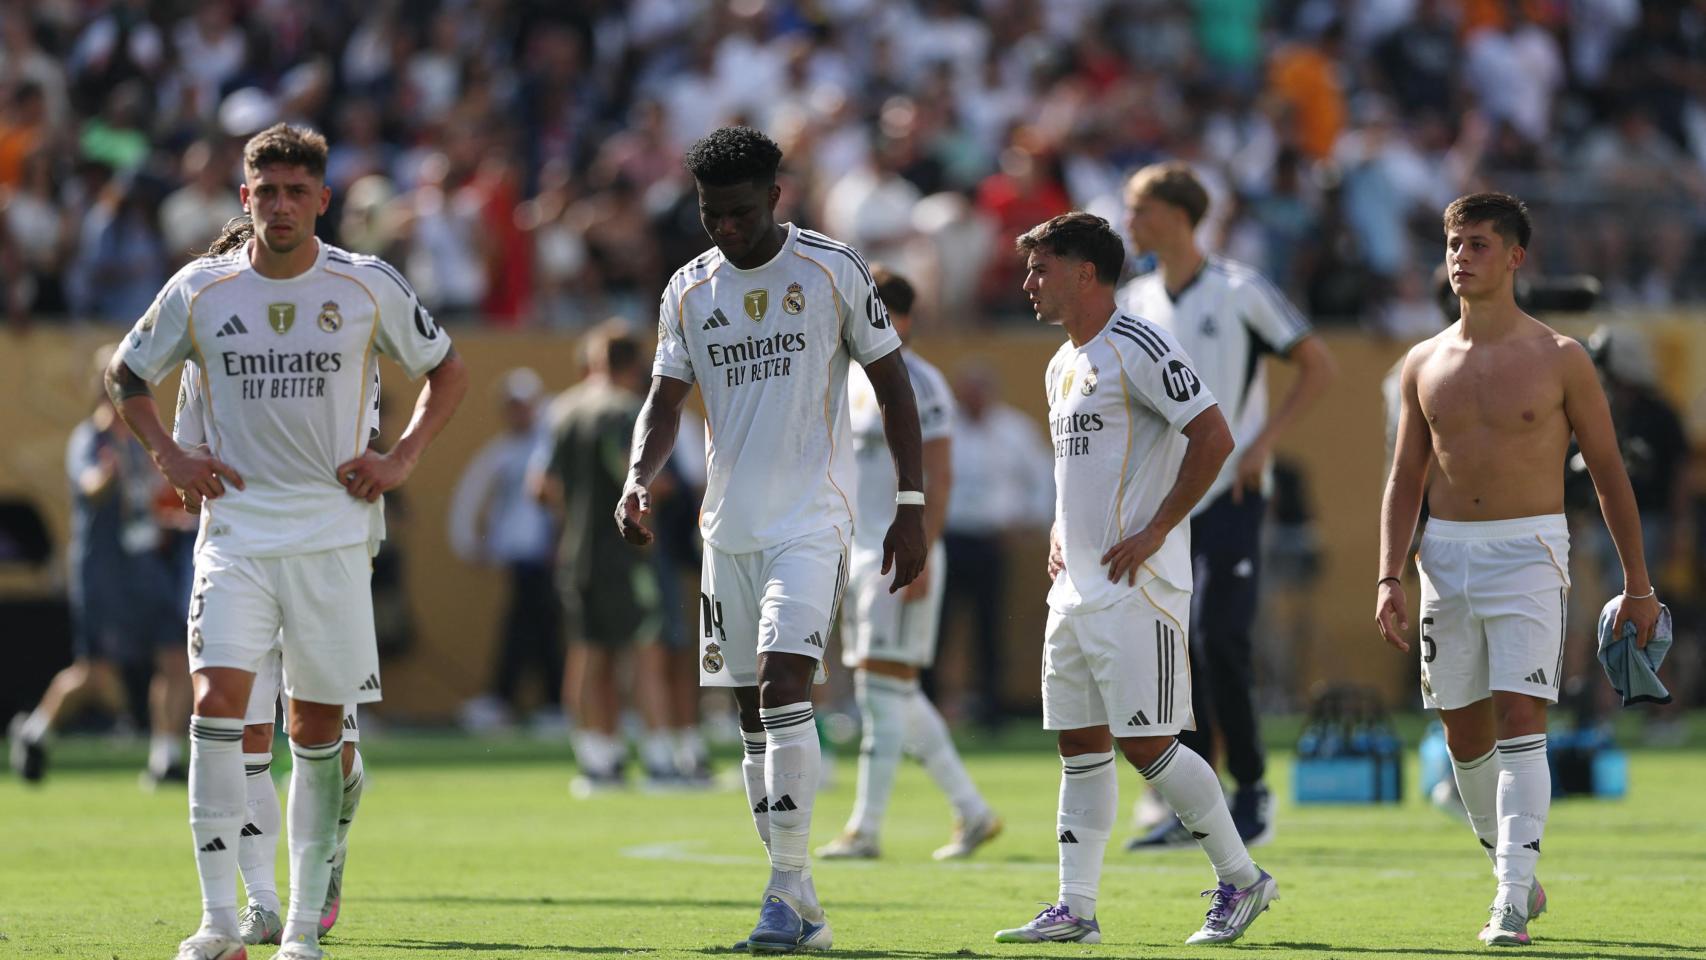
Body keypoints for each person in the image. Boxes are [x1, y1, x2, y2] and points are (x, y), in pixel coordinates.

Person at [105, 122, 466, 960]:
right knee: (218, 709)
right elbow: (124, 374)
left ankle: (300, 925)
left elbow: (447, 369)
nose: (280, 205)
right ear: (244, 198)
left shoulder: (366, 283)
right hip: (234, 531)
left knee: (313, 728)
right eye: (265, 191)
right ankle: (222, 921)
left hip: (333, 533)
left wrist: (401, 456)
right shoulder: (201, 289)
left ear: (323, 199)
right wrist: (168, 453)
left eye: (296, 190)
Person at [616, 125, 926, 953]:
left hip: (810, 523)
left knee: (790, 683)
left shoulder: (831, 268)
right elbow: (664, 398)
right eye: (713, 214)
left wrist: (913, 501)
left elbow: (892, 384)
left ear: (776, 198)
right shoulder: (688, 287)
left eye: (742, 213)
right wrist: (637, 477)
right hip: (729, 533)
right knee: (751, 713)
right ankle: (803, 901)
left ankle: (784, 892)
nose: (727, 228)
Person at [1376, 192, 1661, 948]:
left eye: (1476, 244)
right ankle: (1516, 872)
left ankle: (1507, 901)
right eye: (1452, 244)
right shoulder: (1422, 362)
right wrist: (1387, 575)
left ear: (1513, 257)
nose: (1461, 257)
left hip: (1529, 549)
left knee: (1522, 717)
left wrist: (1639, 585)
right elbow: (1405, 478)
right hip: (1444, 555)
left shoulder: (1560, 358)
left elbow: (1607, 472)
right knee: (1462, 736)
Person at [993, 212, 1278, 948]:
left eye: (1041, 268)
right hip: (1075, 588)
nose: (1029, 282)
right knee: (1080, 746)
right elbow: (1081, 473)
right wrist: (1062, 528)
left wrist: (1158, 529)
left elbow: (1214, 436)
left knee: (1148, 744)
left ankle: (1244, 880)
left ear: (1085, 272)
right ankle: (1076, 910)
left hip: (1138, 583)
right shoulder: (1062, 363)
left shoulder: (1141, 345)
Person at [1119, 162, 1337, 849]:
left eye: (1140, 209)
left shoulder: (1240, 289)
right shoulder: (1134, 299)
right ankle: (1191, 800)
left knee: (1221, 639)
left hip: (1232, 496)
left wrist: (1264, 439)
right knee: (1169, 651)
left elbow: (1318, 363)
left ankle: (1250, 790)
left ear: (1179, 217)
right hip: (1164, 501)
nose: (1130, 222)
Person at [172, 320, 375, 948]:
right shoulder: (203, 338)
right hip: (237, 559)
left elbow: (362, 448)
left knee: (325, 745)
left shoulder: (335, 331)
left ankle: (329, 846)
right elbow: (185, 459)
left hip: (325, 555)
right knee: (240, 733)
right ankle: (261, 904)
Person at [816, 265, 1001, 863]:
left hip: (899, 554)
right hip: (859, 552)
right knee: (887, 687)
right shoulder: (853, 382)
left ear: (902, 318)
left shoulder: (922, 383)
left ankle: (866, 829)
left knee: (879, 690)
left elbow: (940, 474)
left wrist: (924, 549)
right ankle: (972, 811)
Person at [9, 345, 188, 787]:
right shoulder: (91, 439)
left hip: (145, 568)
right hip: (104, 572)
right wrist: (108, 474)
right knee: (95, 673)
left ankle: (165, 757)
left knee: (174, 656)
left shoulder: (142, 442)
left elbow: (148, 504)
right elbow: (90, 487)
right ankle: (34, 732)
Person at [532, 324, 675, 791]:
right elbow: (654, 483)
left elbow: (542, 486)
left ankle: (597, 757)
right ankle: (660, 760)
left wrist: (576, 513)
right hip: (627, 553)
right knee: (646, 653)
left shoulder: (563, 409)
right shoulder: (629, 411)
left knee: (588, 653)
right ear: (635, 366)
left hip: (577, 551)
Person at [450, 366, 561, 734]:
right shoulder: (501, 452)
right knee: (529, 626)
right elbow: (470, 497)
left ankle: (537, 700)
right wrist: (471, 546)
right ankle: (538, 701)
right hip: (520, 556)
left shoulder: (549, 443)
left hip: (548, 554)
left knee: (537, 627)